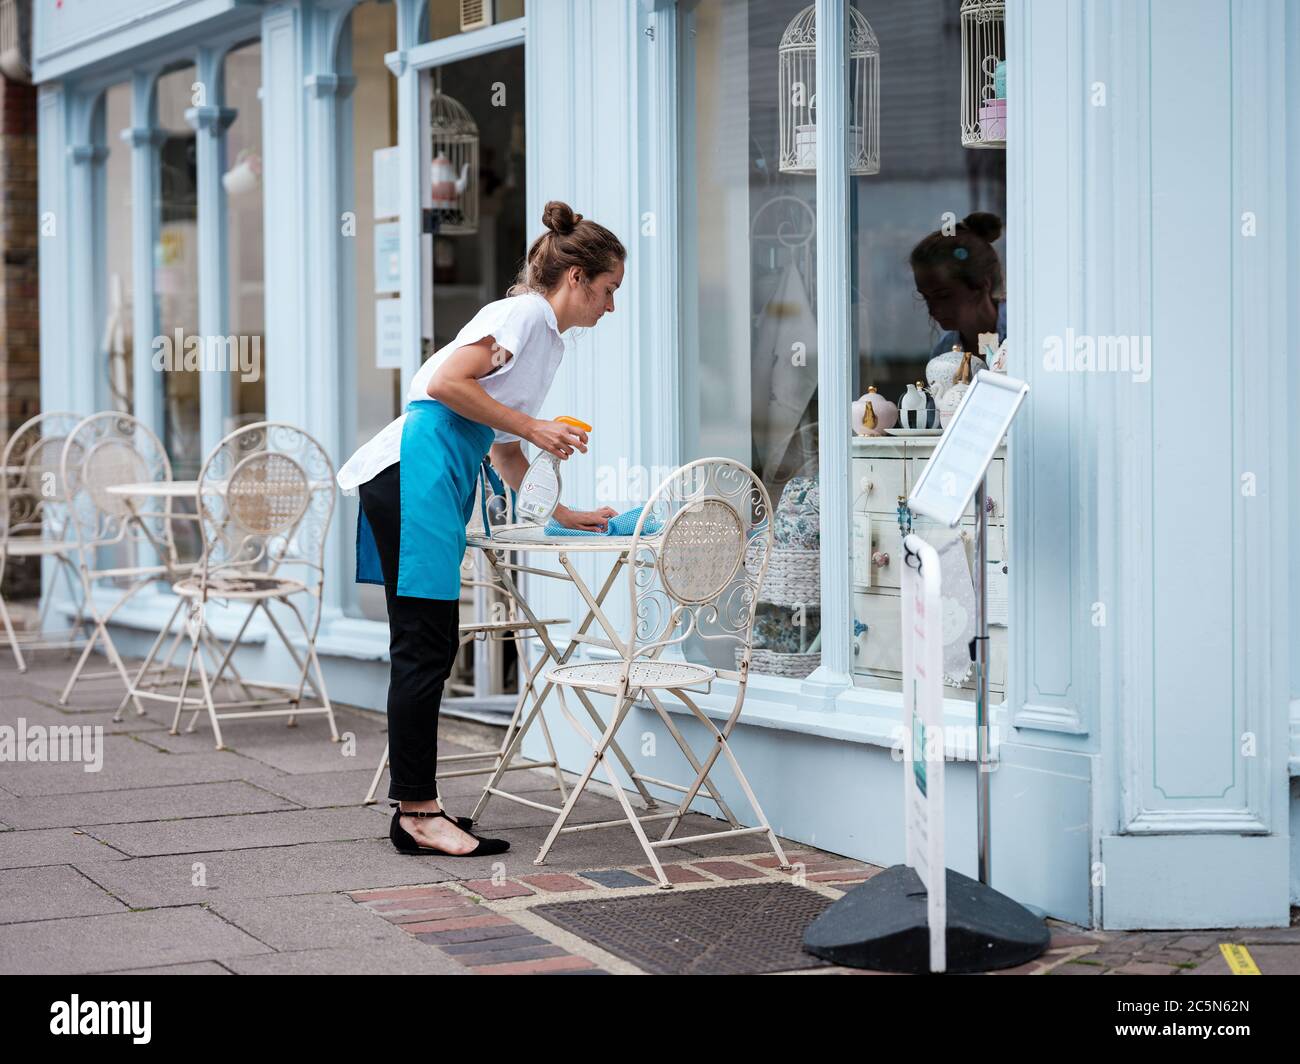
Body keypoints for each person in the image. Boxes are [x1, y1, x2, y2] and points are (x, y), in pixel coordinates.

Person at [336, 200, 624, 857]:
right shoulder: (522, 314)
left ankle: (418, 808)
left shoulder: (543, 337)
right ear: (575, 277)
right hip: (415, 470)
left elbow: (503, 446)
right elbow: (445, 383)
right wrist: (530, 425)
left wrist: (562, 512)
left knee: (430, 642)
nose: (610, 308)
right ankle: (416, 814)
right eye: (608, 291)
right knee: (424, 644)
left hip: (433, 476)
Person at [909, 210, 1006, 362]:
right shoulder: (944, 352)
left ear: (982, 283)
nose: (933, 310)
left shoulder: (1023, 336)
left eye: (943, 296)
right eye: (926, 298)